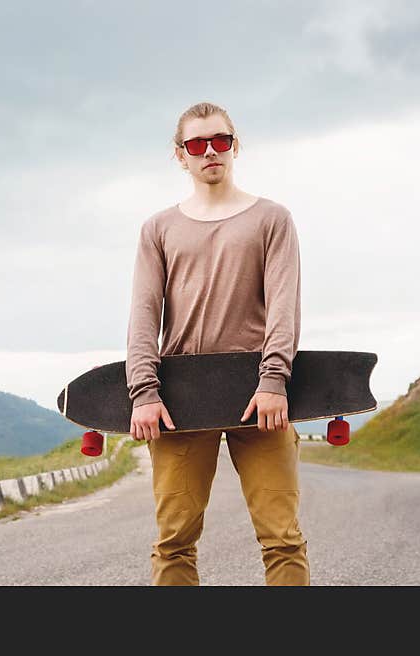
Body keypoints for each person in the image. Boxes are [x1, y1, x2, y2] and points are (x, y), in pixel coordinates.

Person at [126, 101, 309, 586]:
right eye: (197, 144)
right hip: (181, 402)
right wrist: (144, 392)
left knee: (282, 539)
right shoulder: (158, 228)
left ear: (234, 145)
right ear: (181, 155)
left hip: (259, 396)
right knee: (174, 542)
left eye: (221, 141)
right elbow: (144, 315)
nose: (210, 152)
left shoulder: (273, 218)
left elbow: (284, 307)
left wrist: (274, 379)